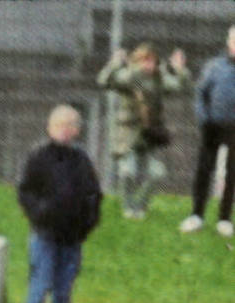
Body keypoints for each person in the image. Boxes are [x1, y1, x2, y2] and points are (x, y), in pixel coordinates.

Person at [17, 105, 102, 303]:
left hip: (72, 237)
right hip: (45, 235)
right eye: (60, 124)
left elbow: (93, 195)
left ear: (77, 130)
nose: (65, 130)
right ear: (50, 127)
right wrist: (40, 214)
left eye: (70, 125)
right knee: (39, 290)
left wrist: (87, 224)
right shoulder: (38, 157)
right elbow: (25, 192)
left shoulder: (81, 161)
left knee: (63, 293)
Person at [97, 43, 189, 220]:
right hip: (129, 134)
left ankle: (140, 206)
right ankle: (128, 206)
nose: (148, 65)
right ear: (136, 62)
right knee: (128, 172)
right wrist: (114, 64)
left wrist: (179, 69)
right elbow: (104, 81)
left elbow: (177, 86)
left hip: (149, 136)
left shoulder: (158, 79)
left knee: (157, 173)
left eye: (152, 61)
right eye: (144, 61)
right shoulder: (131, 77)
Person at [179, 24, 235, 238]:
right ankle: (196, 215)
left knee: (232, 173)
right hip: (212, 126)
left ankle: (224, 219)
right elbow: (200, 94)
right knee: (204, 170)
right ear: (229, 42)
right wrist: (204, 119)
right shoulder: (214, 66)